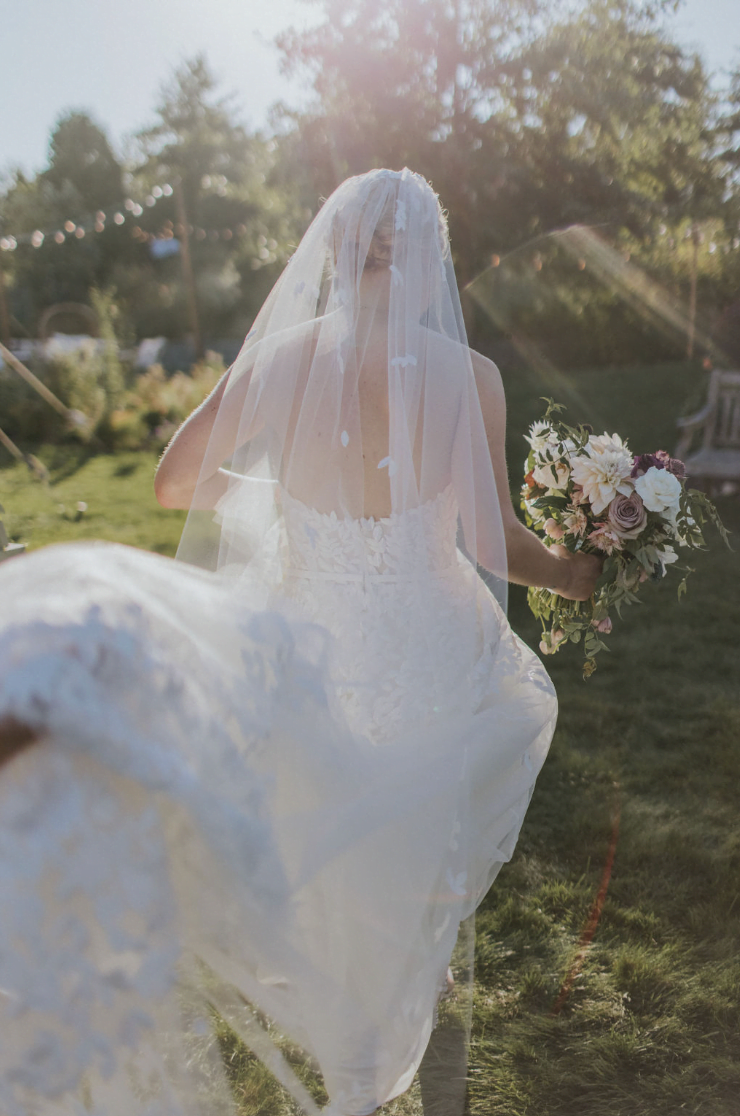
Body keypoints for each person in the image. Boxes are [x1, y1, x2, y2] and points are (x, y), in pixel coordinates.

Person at [0, 168, 600, 1116]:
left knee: (332, 817)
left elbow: (170, 484)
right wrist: (574, 572)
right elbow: (490, 545)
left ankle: (355, 1021)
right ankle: (400, 997)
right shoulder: (468, 376)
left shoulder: (281, 359)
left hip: (311, 639)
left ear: (333, 249)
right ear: (430, 260)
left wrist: (280, 495)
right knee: (416, 822)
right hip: (428, 636)